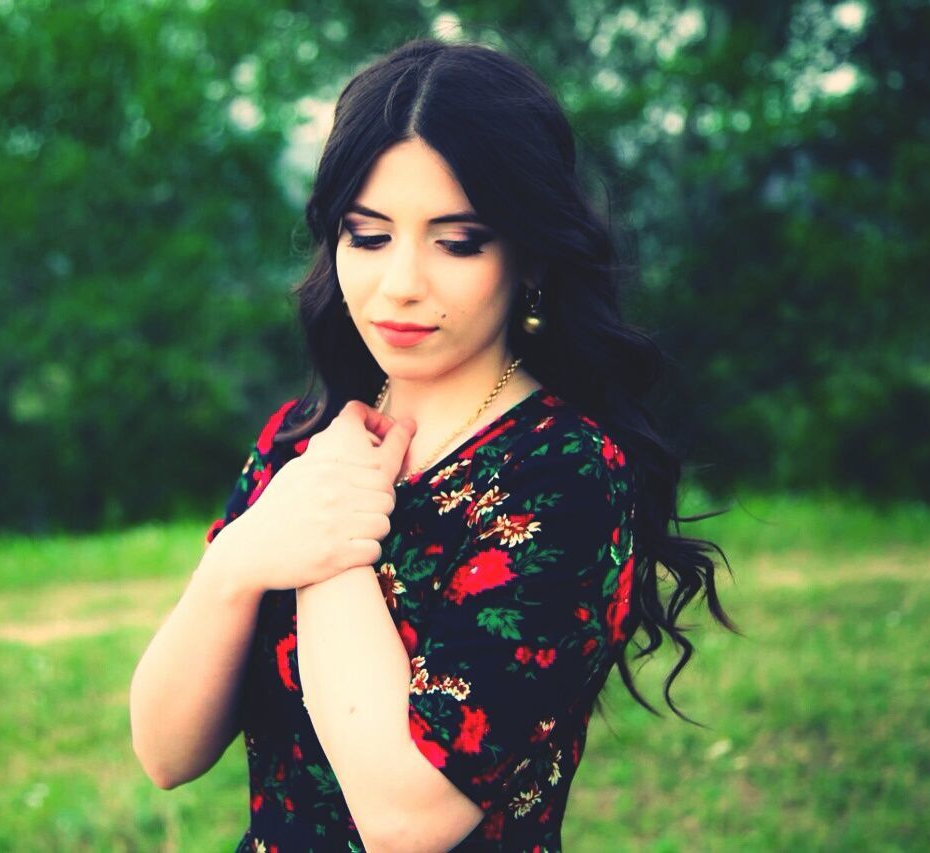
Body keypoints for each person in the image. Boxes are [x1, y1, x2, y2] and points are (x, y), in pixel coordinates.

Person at [130, 35, 736, 852]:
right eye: (368, 235)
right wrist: (241, 560)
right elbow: (166, 752)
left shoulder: (566, 475)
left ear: (529, 255)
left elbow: (408, 821)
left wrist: (332, 543)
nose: (402, 282)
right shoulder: (303, 442)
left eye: (457, 241)